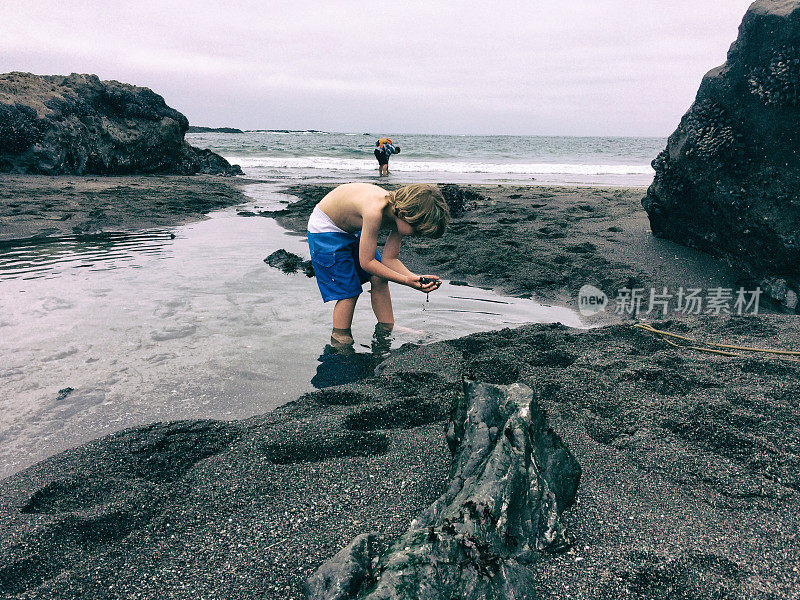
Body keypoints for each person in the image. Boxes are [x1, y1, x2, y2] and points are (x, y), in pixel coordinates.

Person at [306, 182, 449, 346]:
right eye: (417, 231)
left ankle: (387, 326)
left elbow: (390, 260)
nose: (417, 236)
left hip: (351, 227)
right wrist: (405, 281)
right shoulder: (374, 212)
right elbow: (366, 262)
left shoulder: (400, 213)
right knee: (348, 291)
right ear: (404, 214)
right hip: (325, 228)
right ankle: (340, 336)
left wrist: (414, 278)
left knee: (379, 277)